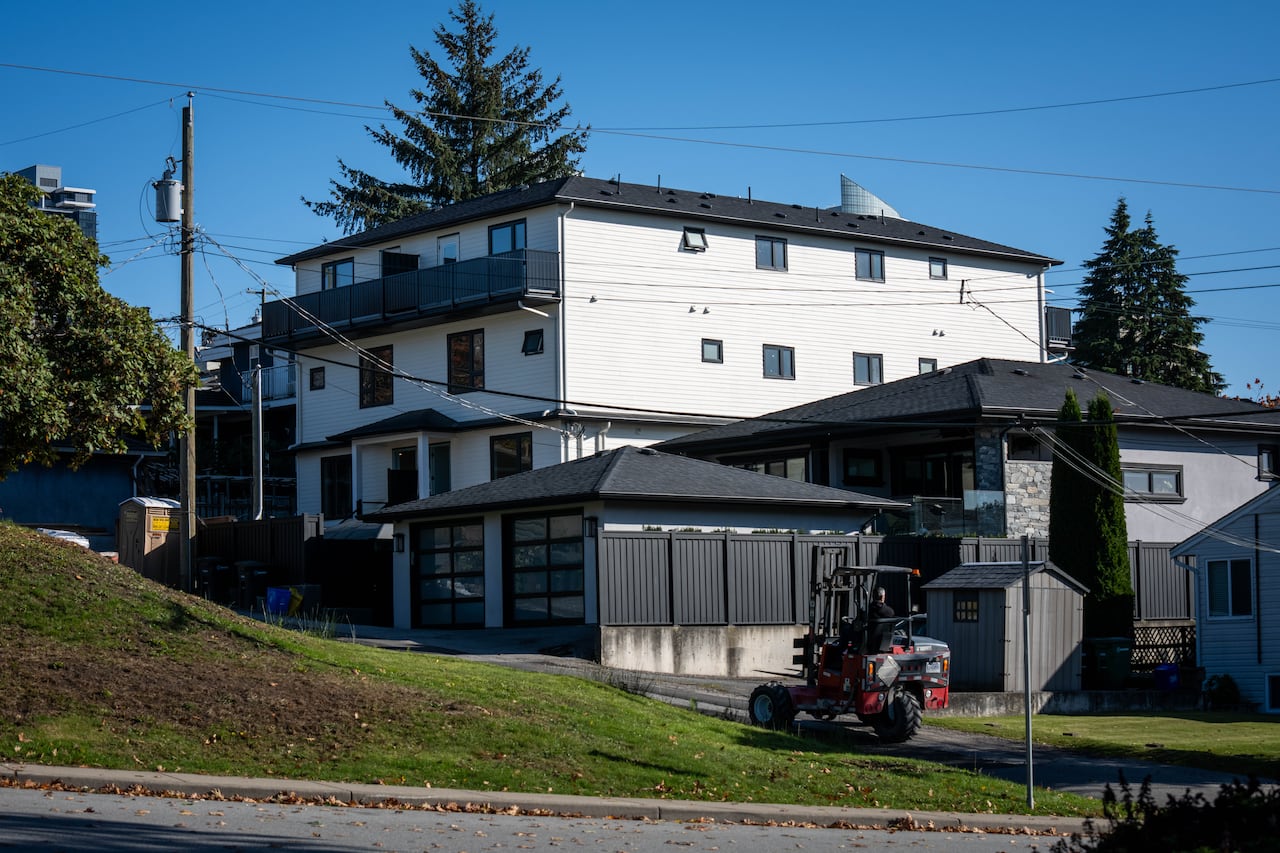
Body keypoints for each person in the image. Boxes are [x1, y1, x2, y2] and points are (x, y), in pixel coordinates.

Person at [868, 587, 895, 652]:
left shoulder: (868, 610)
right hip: (885, 642)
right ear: (882, 597)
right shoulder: (890, 611)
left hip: (869, 642)